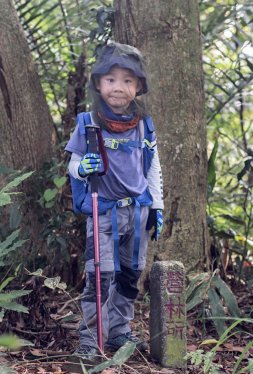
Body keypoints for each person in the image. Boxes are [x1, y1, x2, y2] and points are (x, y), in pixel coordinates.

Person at [65, 42, 164, 358]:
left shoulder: (144, 125)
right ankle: (91, 338)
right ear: (98, 83)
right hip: (102, 211)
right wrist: (81, 169)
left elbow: (153, 167)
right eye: (110, 79)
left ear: (138, 86)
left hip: (137, 213)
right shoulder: (88, 122)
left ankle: (119, 333)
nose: (118, 87)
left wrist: (157, 207)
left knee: (130, 274)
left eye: (127, 80)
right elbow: (73, 163)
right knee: (100, 274)